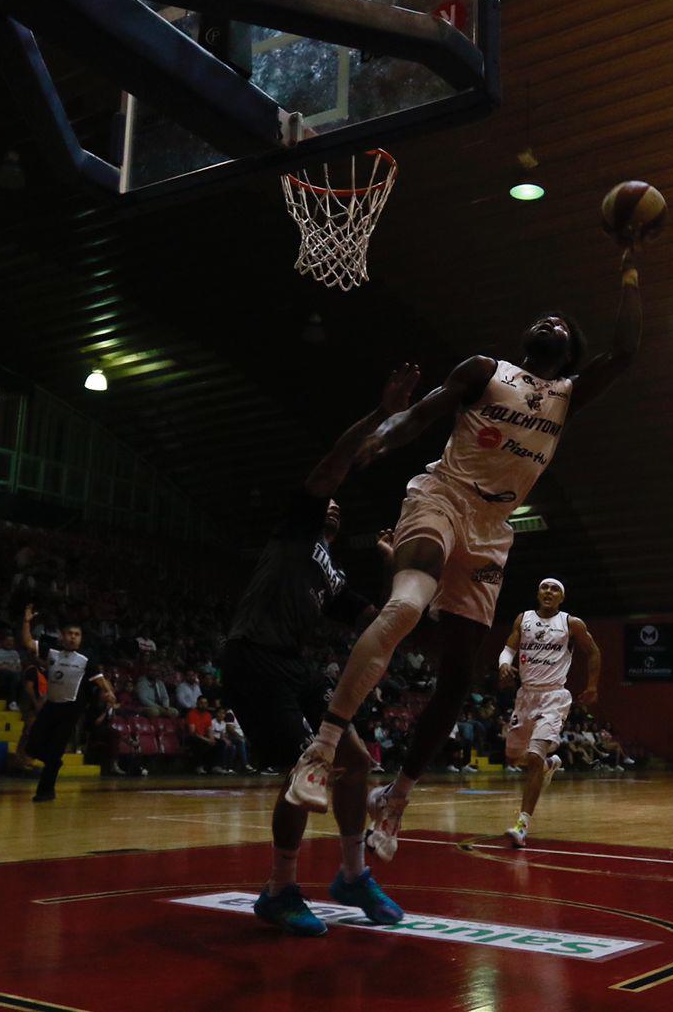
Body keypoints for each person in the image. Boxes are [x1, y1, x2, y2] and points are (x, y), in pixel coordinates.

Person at [287, 247, 646, 868]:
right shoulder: (485, 369)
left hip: (492, 530)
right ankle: (320, 751)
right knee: (404, 606)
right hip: (442, 495)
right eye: (546, 318)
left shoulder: (567, 398)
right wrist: (381, 437)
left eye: (565, 324)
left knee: (458, 679)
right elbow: (423, 414)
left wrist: (630, 262)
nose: (553, 321)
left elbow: (628, 350)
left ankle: (397, 798)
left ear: (570, 354)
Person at [220, 366, 417, 936]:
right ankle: (279, 889)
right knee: (303, 774)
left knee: (355, 763)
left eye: (338, 509)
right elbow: (332, 466)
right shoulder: (293, 531)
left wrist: (393, 565)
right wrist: (381, 414)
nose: (333, 507)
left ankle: (352, 875)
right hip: (254, 656)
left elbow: (382, 621)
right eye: (327, 503)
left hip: (296, 667)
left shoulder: (330, 575)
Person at [497, 577, 600, 847]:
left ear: (561, 598)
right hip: (526, 696)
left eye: (555, 589)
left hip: (554, 696)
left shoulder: (571, 624)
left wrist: (592, 686)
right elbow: (509, 648)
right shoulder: (524, 619)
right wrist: (504, 665)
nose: (548, 591)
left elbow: (593, 652)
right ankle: (548, 766)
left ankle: (522, 826)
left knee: (533, 756)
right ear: (538, 592)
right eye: (544, 587)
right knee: (512, 758)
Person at [18, 603, 116, 802]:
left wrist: (110, 694)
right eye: (70, 633)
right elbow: (28, 642)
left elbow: (102, 682)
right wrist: (27, 622)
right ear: (62, 636)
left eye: (77, 634)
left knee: (54, 752)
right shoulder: (52, 651)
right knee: (32, 745)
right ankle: (53, 763)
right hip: (51, 706)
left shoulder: (86, 659)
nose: (73, 637)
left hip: (70, 711)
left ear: (80, 638)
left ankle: (45, 792)